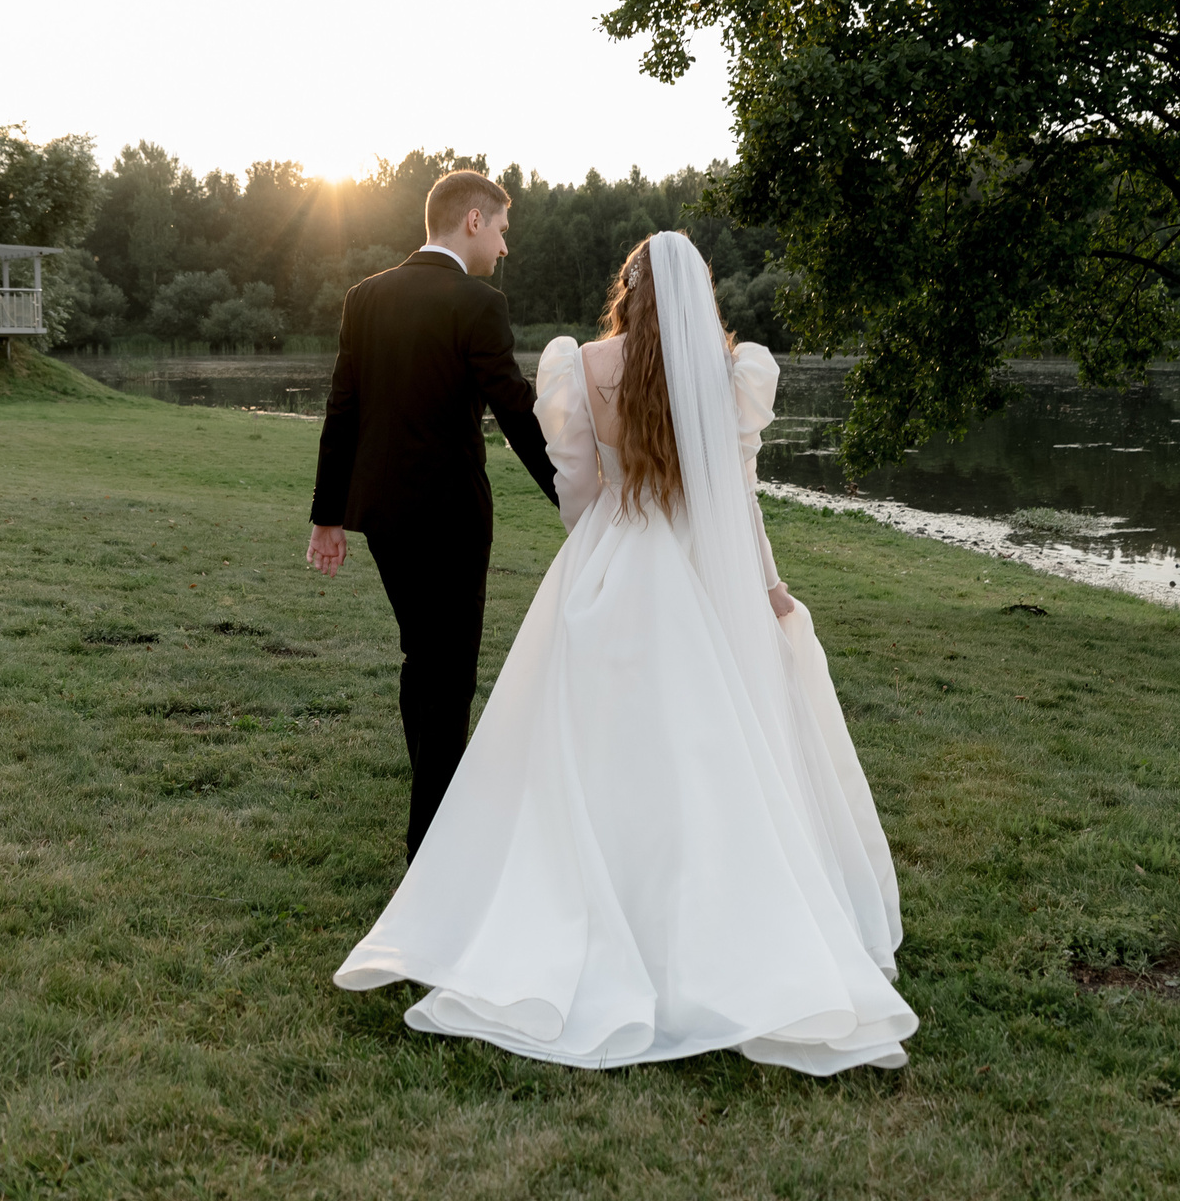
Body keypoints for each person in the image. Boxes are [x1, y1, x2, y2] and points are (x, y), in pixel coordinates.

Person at [331, 229, 915, 1075]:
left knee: (591, 744)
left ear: (626, 289)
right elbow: (738, 499)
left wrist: (600, 548)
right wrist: (764, 585)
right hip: (701, 566)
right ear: (698, 294)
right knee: (707, 745)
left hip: (613, 555)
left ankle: (583, 903)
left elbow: (575, 486)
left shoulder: (579, 365)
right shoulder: (735, 371)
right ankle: (709, 914)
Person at [307, 169, 558, 860]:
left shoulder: (366, 297)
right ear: (472, 221)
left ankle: (438, 819)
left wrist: (327, 516)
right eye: (503, 230)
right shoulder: (476, 303)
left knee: (424, 662)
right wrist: (574, 496)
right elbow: (516, 411)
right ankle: (433, 850)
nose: (504, 247)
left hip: (383, 517)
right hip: (449, 522)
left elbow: (342, 410)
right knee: (449, 677)